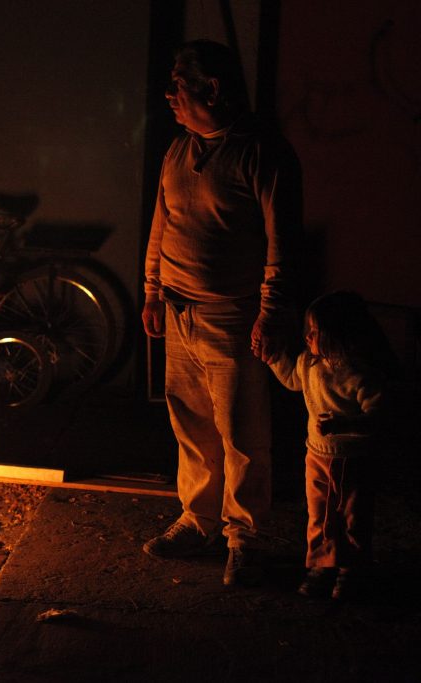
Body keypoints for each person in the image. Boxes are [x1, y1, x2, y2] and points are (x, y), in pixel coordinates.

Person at [140, 39, 303, 586]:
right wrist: (152, 291)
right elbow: (162, 223)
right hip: (180, 309)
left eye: (180, 84)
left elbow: (284, 243)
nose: (170, 95)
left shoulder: (262, 153)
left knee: (241, 434)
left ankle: (245, 537)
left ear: (213, 88)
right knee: (191, 425)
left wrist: (270, 312)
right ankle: (198, 519)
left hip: (231, 315)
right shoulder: (179, 149)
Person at [268, 291, 393, 600]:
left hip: (354, 460)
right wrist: (273, 359)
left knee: (353, 517)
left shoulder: (360, 376)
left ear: (340, 334)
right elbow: (292, 380)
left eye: (315, 332)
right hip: (317, 455)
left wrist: (345, 425)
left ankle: (353, 569)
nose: (307, 337)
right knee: (320, 514)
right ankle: (323, 565)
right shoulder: (309, 364)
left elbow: (378, 417)